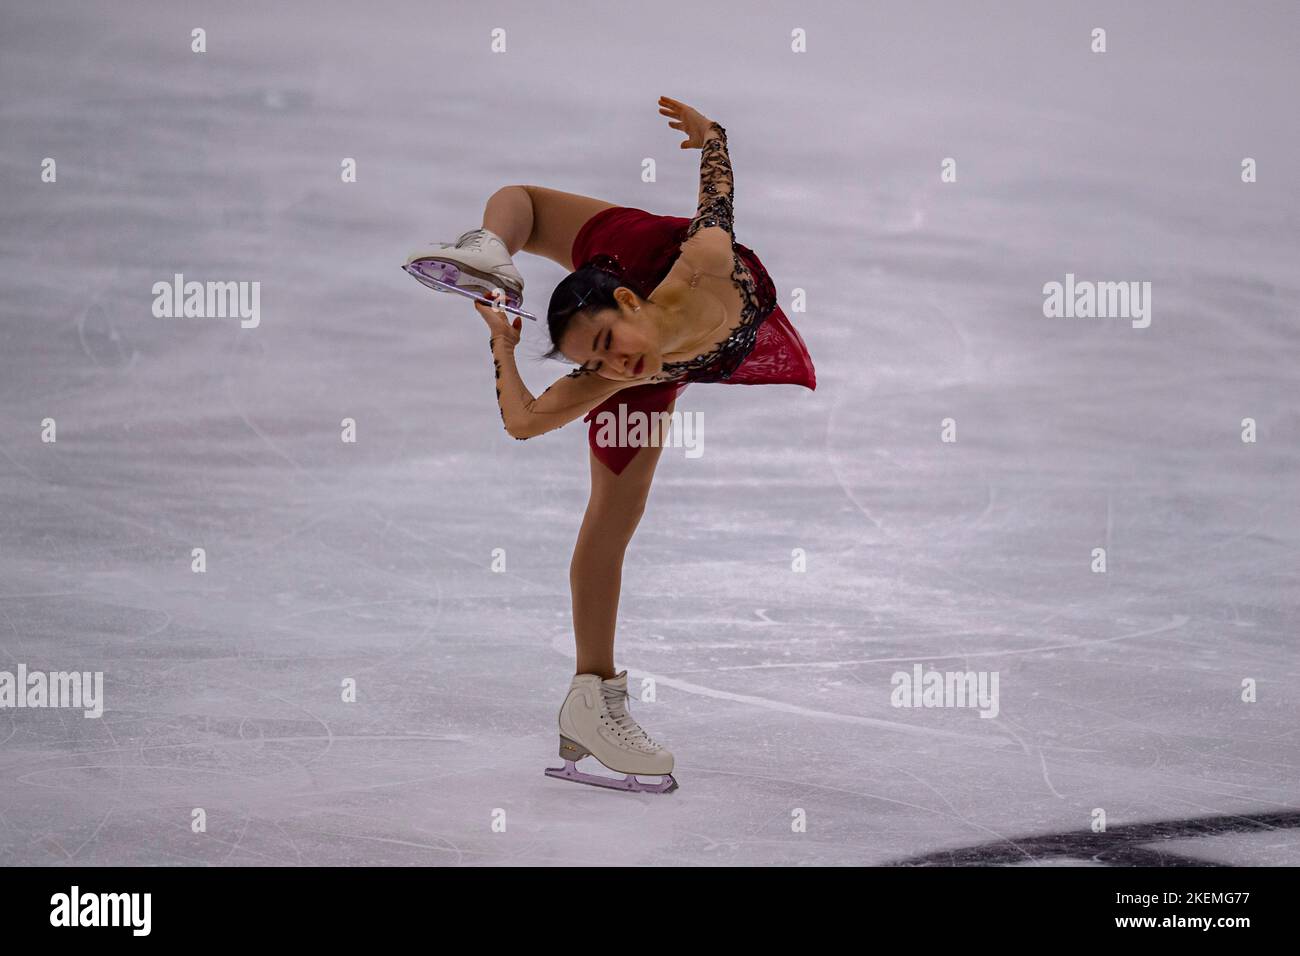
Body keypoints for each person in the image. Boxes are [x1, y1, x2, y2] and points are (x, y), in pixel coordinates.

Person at [404, 96, 816, 792]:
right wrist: (502, 345)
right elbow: (526, 420)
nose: (604, 367)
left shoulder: (701, 262)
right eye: (589, 363)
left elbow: (716, 197)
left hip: (645, 260)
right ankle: (592, 699)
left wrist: (714, 137)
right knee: (612, 520)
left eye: (602, 346)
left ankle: (512, 254)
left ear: (625, 305)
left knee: (532, 204)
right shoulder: (613, 374)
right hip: (663, 363)